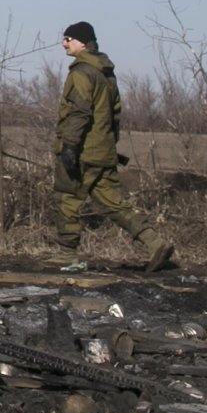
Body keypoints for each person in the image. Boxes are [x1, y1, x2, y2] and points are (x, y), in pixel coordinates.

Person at [53, 21, 173, 271]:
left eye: (68, 39)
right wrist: (109, 146)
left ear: (82, 42)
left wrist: (70, 146)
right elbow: (113, 116)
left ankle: (66, 255)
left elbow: (79, 112)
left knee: (67, 197)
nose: (64, 44)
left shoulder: (82, 73)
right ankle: (154, 242)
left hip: (83, 152)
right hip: (103, 152)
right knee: (114, 204)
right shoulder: (107, 74)